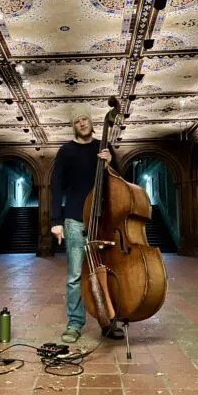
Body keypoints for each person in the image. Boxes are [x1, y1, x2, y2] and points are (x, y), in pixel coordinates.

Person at [51, 104, 124, 344]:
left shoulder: (103, 148)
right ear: (73, 126)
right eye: (77, 121)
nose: (82, 123)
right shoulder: (66, 151)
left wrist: (111, 162)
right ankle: (74, 323)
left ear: (92, 122)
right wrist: (56, 221)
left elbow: (120, 180)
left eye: (85, 119)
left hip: (104, 219)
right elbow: (56, 187)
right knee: (75, 275)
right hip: (75, 220)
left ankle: (109, 320)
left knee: (109, 272)